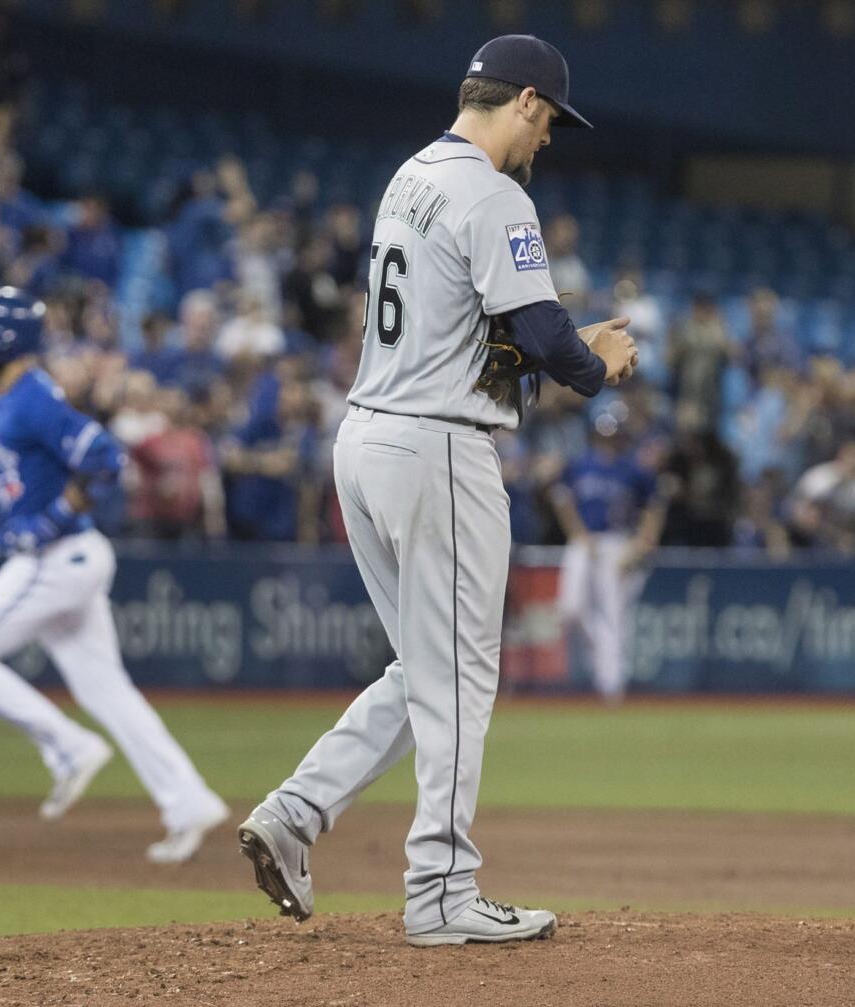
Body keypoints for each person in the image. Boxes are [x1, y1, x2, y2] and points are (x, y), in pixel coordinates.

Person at [238, 35, 636, 947]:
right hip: (440, 449)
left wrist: (541, 357)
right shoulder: (496, 194)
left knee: (429, 668)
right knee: (461, 674)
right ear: (527, 101)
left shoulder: (409, 177)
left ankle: (296, 812)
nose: (548, 144)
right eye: (550, 124)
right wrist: (598, 362)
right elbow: (544, 335)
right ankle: (442, 889)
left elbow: (474, 329)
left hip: (369, 439)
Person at [0, 286, 228, 864]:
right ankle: (188, 802)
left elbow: (105, 458)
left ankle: (68, 747)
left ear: (7, 338)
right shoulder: (15, 397)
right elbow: (34, 473)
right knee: (108, 691)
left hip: (57, 560)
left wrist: (52, 520)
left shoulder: (28, 398)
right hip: (72, 558)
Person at [550, 419, 666, 702]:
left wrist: (643, 542)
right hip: (583, 541)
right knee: (570, 608)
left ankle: (611, 685)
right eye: (603, 434)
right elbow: (560, 499)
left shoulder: (632, 470)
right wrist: (577, 532)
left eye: (613, 434)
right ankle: (604, 663)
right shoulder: (579, 465)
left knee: (613, 615)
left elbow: (655, 504)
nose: (608, 440)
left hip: (616, 542)